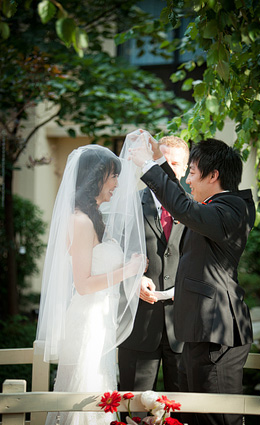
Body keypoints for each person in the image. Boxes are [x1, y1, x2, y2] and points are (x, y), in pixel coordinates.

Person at [129, 133, 256, 425]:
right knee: (194, 415)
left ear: (214, 175)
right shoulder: (215, 207)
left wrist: (148, 164)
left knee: (217, 418)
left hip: (216, 330)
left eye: (193, 173)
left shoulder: (231, 209)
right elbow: (184, 203)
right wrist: (160, 161)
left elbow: (182, 209)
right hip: (199, 329)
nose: (187, 180)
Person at [35, 135, 147, 425]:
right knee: (86, 394)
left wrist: (134, 272)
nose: (117, 185)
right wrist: (128, 270)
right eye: (113, 177)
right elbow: (83, 284)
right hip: (87, 322)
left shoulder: (93, 217)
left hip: (101, 321)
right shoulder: (80, 221)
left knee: (99, 390)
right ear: (96, 178)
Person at [118, 136, 189, 395]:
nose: (168, 170)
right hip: (139, 325)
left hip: (184, 327)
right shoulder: (129, 205)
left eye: (175, 164)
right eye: (162, 163)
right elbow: (112, 254)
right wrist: (131, 278)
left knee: (183, 411)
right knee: (133, 408)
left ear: (184, 168)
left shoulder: (195, 209)